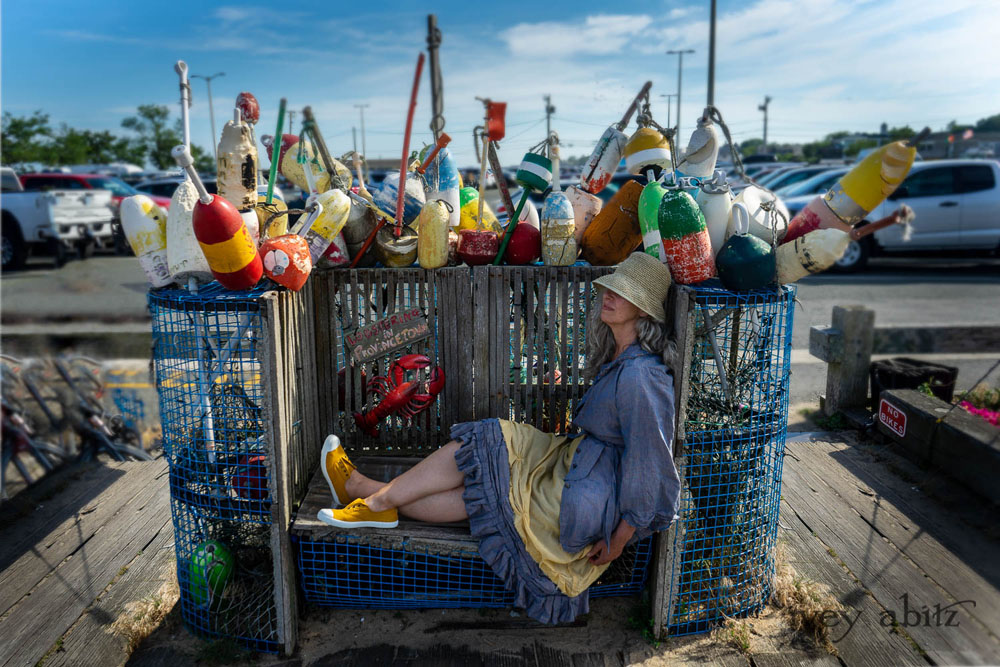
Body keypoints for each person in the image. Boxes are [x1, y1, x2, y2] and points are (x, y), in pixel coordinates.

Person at [317, 252, 681, 623]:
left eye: (623, 293)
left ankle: (367, 495)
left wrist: (618, 541)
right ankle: (368, 495)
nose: (609, 295)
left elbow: (650, 465)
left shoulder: (641, 377)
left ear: (643, 310)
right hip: (572, 464)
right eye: (610, 288)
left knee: (478, 485)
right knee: (486, 443)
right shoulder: (621, 355)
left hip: (584, 494)